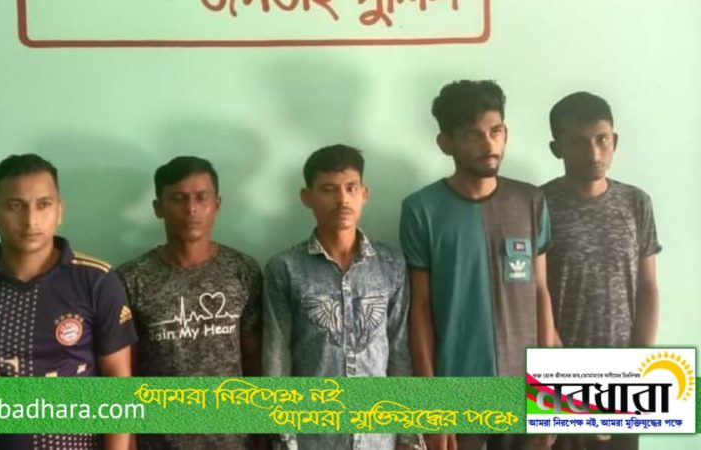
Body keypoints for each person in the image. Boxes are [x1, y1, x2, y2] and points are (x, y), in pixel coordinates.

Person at [0, 153, 136, 450]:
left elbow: (118, 384)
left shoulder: (97, 282)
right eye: (15, 206)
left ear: (59, 211)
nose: (30, 220)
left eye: (43, 205)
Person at [400, 80, 558, 450]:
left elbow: (540, 292)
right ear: (446, 142)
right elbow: (419, 307)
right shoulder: (422, 209)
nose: (489, 145)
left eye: (495, 131)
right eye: (473, 135)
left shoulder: (530, 201)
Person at [263, 144, 421, 450]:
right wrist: (284, 438)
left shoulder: (391, 264)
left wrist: (408, 435)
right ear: (307, 197)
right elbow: (276, 357)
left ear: (364, 193)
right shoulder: (285, 268)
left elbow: (400, 350)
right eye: (328, 189)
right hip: (313, 438)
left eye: (351, 188)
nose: (342, 199)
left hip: (379, 438)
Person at [117, 156, 263, 450]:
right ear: (158, 208)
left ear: (217, 204)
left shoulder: (243, 270)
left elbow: (254, 358)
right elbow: (124, 373)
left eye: (201, 197)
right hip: (158, 441)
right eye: (178, 199)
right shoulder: (131, 279)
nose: (191, 208)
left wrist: (262, 433)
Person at [544, 92, 660, 450]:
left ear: (615, 141)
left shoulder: (636, 202)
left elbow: (648, 288)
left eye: (602, 139)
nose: (594, 153)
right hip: (558, 378)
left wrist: (636, 370)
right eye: (579, 142)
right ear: (557, 148)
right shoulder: (538, 205)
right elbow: (534, 295)